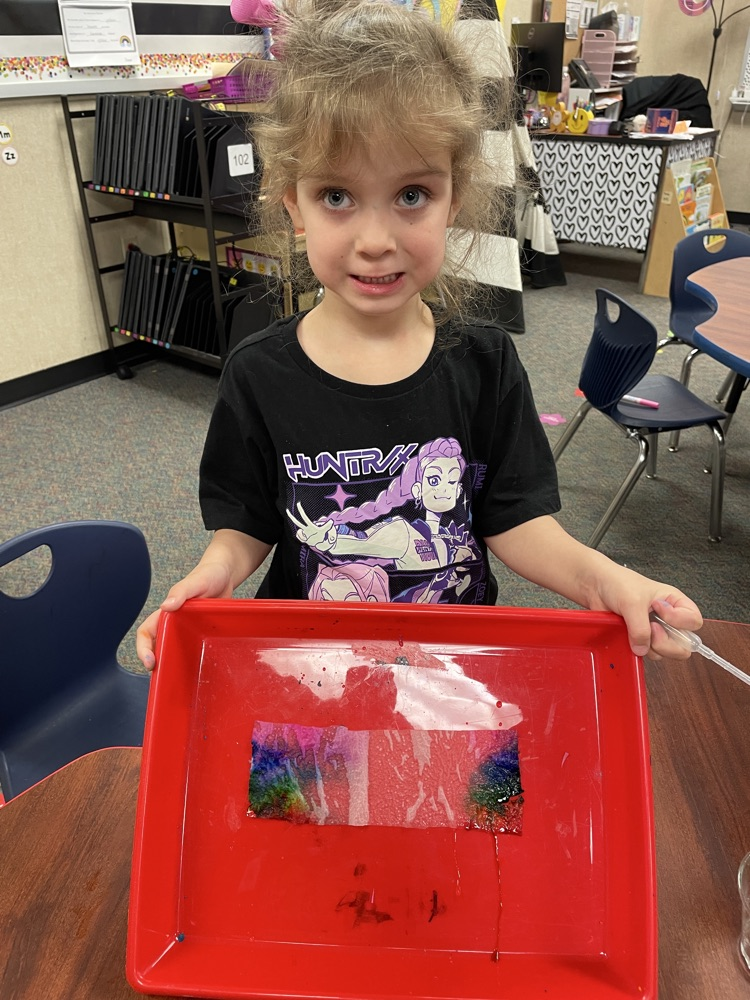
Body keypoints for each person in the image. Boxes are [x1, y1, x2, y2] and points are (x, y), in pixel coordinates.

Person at [136, 0, 701, 669]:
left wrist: (607, 580)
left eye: (411, 195)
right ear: (294, 204)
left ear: (453, 197)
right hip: (314, 670)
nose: (375, 243)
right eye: (337, 197)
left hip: (450, 669)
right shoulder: (258, 372)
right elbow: (250, 523)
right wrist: (218, 570)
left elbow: (516, 521)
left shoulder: (485, 363)